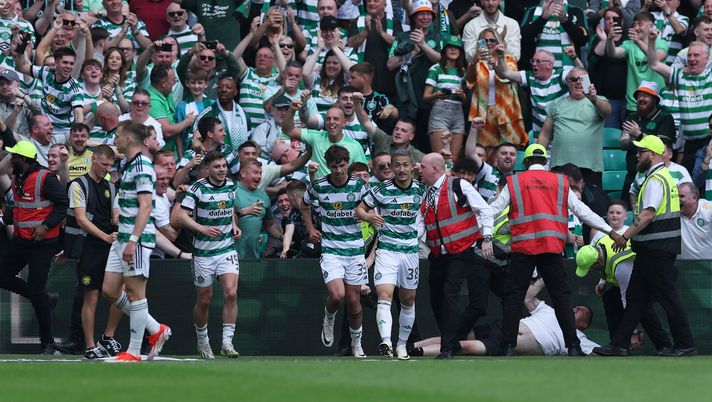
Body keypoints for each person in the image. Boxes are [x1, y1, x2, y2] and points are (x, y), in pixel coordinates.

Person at [489, 143, 623, 356]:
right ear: (545, 161)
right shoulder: (559, 181)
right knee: (561, 297)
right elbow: (582, 211)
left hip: (523, 248)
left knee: (514, 297)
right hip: (551, 248)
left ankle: (507, 346)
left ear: (525, 162)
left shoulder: (515, 182)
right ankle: (573, 346)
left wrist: (484, 235)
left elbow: (493, 210)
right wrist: (610, 230)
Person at [593, 135, 696, 357]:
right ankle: (620, 344)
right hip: (653, 249)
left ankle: (685, 343)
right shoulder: (663, 177)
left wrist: (625, 236)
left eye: (641, 151)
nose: (637, 154)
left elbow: (647, 214)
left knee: (667, 298)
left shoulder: (655, 179)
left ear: (653, 154)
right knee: (635, 300)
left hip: (656, 249)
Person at [101, 122, 171, 362]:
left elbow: (146, 206)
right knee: (110, 290)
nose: (115, 139)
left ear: (129, 140)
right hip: (122, 236)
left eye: (118, 136)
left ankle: (133, 351)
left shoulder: (142, 165)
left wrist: (133, 240)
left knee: (135, 293)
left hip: (135, 238)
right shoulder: (130, 164)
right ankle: (155, 328)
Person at [420, 152, 494, 359]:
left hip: (461, 251)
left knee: (449, 295)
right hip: (438, 254)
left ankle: (447, 348)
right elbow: (420, 226)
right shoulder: (426, 194)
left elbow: (485, 211)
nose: (420, 170)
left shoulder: (459, 185)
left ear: (434, 169)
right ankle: (450, 342)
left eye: (423, 167)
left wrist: (487, 237)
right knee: (436, 298)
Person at [411, 278, 600, 356]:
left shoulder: (579, 339)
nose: (576, 307)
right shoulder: (551, 311)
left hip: (510, 343)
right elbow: (527, 297)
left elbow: (599, 352)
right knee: (458, 336)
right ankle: (410, 346)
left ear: (583, 323)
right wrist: (545, 277)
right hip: (504, 327)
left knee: (465, 346)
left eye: (581, 309)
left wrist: (631, 338)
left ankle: (418, 353)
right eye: (576, 306)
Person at [355, 149, 424, 359]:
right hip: (387, 251)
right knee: (384, 295)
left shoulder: (421, 190)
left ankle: (401, 345)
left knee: (408, 300)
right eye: (397, 165)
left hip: (410, 252)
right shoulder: (381, 190)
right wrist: (369, 217)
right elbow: (359, 209)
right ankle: (386, 342)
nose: (401, 169)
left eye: (405, 165)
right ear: (392, 168)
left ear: (412, 166)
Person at [301, 145, 369, 358]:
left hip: (355, 249)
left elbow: (370, 207)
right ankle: (329, 317)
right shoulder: (319, 186)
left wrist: (365, 215)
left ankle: (357, 344)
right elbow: (303, 204)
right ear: (328, 166)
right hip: (331, 248)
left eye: (342, 165)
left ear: (347, 163)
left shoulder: (359, 185)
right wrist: (311, 227)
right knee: (337, 295)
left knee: (353, 299)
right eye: (334, 166)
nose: (339, 170)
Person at [173, 151, 242, 359]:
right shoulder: (197, 188)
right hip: (203, 252)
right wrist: (202, 229)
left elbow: (228, 208)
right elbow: (180, 217)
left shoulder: (231, 185)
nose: (222, 170)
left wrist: (234, 226)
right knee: (205, 299)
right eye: (217, 166)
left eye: (224, 166)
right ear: (208, 169)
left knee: (231, 293)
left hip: (226, 248)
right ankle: (203, 342)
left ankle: (227, 343)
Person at [0, 140, 67, 354]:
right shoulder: (18, 177)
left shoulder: (46, 178)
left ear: (24, 160)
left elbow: (63, 205)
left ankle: (47, 342)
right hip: (20, 241)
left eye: (14, 157)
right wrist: (5, 218)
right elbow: (20, 208)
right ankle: (45, 299)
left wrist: (46, 226)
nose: (11, 159)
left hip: (41, 244)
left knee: (36, 291)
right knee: (2, 276)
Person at [62, 144, 125, 359]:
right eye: (104, 164)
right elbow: (80, 219)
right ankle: (90, 346)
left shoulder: (113, 187)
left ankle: (107, 336)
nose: (107, 168)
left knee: (118, 293)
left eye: (111, 165)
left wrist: (122, 222)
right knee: (91, 296)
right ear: (93, 160)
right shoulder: (78, 185)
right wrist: (105, 236)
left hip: (110, 247)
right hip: (89, 247)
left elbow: (115, 216)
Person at [575, 235, 674, 355]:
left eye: (591, 268)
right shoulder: (600, 245)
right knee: (610, 297)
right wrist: (603, 281)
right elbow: (607, 262)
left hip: (658, 277)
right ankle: (618, 344)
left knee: (641, 307)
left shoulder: (621, 267)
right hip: (645, 274)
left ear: (597, 262)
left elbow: (629, 304)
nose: (591, 271)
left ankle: (662, 346)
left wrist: (632, 333)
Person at [645, 27, 712, 182]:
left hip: (708, 141)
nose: (692, 58)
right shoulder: (679, 75)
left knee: (705, 184)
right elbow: (654, 63)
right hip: (689, 144)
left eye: (696, 55)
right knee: (687, 185)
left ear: (706, 59)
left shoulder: (710, 76)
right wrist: (652, 40)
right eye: (689, 55)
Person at [537, 67, 612, 187]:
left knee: (590, 203)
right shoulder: (556, 104)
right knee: (559, 204)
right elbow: (545, 135)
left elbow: (607, 111)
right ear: (568, 82)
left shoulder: (598, 101)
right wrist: (536, 158)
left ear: (589, 82)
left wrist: (594, 99)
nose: (578, 82)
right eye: (574, 79)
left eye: (582, 79)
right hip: (560, 166)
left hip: (590, 167)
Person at [494, 47, 581, 136]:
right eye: (533, 61)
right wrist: (501, 55)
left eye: (538, 61)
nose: (534, 64)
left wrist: (574, 58)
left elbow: (581, 74)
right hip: (539, 137)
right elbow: (505, 73)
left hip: (561, 135)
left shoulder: (560, 76)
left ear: (550, 65)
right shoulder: (529, 77)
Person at [466, 30, 527, 151]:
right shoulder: (476, 62)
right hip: (484, 113)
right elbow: (469, 81)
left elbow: (505, 78)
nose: (488, 43)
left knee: (510, 149)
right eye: (484, 40)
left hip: (507, 112)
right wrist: (474, 61)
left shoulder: (509, 59)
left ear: (498, 41)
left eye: (492, 40)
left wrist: (494, 63)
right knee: (486, 150)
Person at [620, 82, 676, 205]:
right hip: (632, 175)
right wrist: (634, 139)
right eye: (639, 96)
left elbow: (662, 147)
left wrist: (638, 134)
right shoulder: (632, 116)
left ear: (655, 99)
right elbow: (623, 144)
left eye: (646, 96)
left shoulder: (665, 118)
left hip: (656, 176)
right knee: (628, 213)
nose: (641, 99)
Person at [282, 101, 367, 178]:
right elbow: (288, 130)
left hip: (344, 192)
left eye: (336, 119)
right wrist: (292, 110)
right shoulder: (315, 137)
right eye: (328, 119)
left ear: (344, 123)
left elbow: (364, 173)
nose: (331, 122)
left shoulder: (355, 146)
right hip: (320, 191)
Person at [12, 46, 85, 135]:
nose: (68, 66)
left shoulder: (74, 88)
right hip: (42, 126)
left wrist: (78, 133)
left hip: (61, 132)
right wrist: (20, 50)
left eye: (71, 63)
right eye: (65, 63)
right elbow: (21, 68)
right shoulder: (46, 72)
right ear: (56, 63)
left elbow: (78, 113)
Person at [423, 34, 467, 159]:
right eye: (450, 47)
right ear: (444, 50)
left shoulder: (463, 72)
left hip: (458, 113)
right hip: (439, 111)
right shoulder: (435, 69)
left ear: (461, 52)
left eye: (457, 48)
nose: (453, 50)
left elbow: (466, 100)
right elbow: (426, 96)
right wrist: (436, 95)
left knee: (454, 159)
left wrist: (462, 95)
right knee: (440, 158)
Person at [234, 158, 283, 260]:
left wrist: (282, 237)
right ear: (243, 173)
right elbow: (223, 217)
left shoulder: (263, 196)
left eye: (260, 173)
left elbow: (268, 224)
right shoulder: (232, 190)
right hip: (231, 254)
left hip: (254, 255)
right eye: (255, 173)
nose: (259, 177)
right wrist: (244, 211)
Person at [520, 0, 589, 70]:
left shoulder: (575, 11)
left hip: (568, 75)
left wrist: (565, 20)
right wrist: (542, 19)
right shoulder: (531, 11)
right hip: (537, 73)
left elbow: (582, 40)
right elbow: (522, 39)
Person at [464, 119, 517, 201]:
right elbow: (470, 153)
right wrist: (474, 129)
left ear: (516, 158)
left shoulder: (520, 178)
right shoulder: (487, 171)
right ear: (496, 157)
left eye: (512, 154)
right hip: (486, 213)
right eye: (504, 153)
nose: (508, 156)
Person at [193, 75, 250, 150]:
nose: (223, 90)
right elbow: (194, 140)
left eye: (228, 87)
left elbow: (248, 141)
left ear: (235, 92)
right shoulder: (206, 114)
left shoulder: (244, 115)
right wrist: (195, 139)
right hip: (214, 159)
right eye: (220, 87)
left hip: (239, 160)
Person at [678, 182, 712, 260]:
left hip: (708, 268)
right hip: (682, 267)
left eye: (681, 196)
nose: (677, 200)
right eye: (675, 196)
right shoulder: (673, 213)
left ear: (695, 198)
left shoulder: (709, 209)